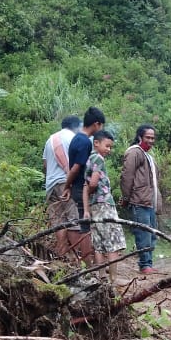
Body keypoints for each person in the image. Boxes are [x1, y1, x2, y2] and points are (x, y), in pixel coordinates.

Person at [61, 107, 107, 265]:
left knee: (85, 225)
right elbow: (76, 168)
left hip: (78, 188)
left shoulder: (77, 138)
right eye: (100, 126)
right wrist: (67, 185)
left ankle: (89, 262)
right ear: (96, 124)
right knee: (86, 228)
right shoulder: (84, 142)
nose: (100, 130)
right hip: (81, 189)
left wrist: (69, 186)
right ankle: (89, 265)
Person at [83, 129, 126, 283]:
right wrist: (95, 189)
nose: (109, 150)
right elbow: (93, 183)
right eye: (107, 146)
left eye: (110, 147)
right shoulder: (98, 159)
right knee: (113, 243)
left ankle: (102, 277)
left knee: (99, 244)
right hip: (105, 205)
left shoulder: (88, 160)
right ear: (96, 143)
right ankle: (113, 279)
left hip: (94, 206)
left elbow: (85, 187)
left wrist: (86, 209)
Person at [119, 124, 161, 274]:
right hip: (139, 201)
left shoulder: (148, 156)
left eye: (153, 138)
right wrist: (126, 197)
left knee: (151, 235)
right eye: (147, 137)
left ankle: (148, 263)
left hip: (149, 202)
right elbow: (127, 176)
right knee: (143, 234)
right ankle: (144, 265)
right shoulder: (134, 153)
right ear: (140, 137)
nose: (150, 140)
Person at [41, 115, 81, 264]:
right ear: (76, 126)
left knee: (58, 221)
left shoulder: (50, 139)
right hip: (67, 182)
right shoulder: (74, 138)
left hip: (51, 185)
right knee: (73, 220)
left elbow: (45, 165)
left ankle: (61, 255)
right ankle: (75, 258)